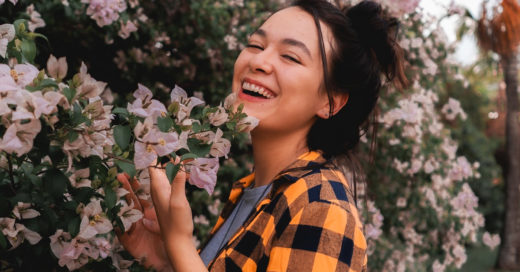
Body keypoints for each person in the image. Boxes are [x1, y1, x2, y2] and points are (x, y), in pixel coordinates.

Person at [117, 0, 407, 271]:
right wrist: (168, 258)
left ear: (330, 102)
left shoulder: (321, 207)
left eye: (290, 57)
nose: (259, 61)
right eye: (255, 44)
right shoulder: (254, 192)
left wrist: (180, 243)